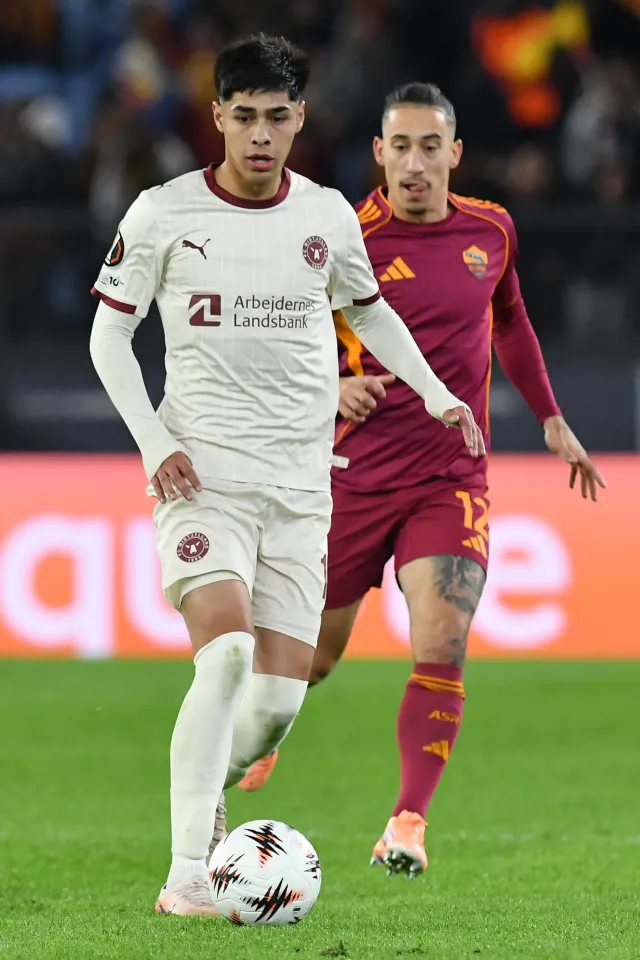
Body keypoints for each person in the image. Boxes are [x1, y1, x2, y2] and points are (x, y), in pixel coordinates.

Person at [89, 43, 484, 916]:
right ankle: (188, 872)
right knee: (225, 655)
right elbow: (108, 339)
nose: (261, 135)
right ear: (218, 116)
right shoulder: (164, 212)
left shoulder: (329, 216)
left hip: (304, 490)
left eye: (277, 117)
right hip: (204, 482)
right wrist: (156, 445)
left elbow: (369, 311)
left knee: (271, 709)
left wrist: (435, 392)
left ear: (300, 119)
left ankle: (211, 784)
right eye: (244, 116)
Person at [234, 82, 606, 878]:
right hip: (349, 476)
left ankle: (407, 821)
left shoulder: (491, 231)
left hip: (451, 476)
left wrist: (549, 417)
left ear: (454, 154)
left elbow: (510, 320)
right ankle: (264, 733)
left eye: (429, 146)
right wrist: (331, 387)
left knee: (442, 642)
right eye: (399, 147)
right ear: (378, 154)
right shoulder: (341, 236)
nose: (413, 163)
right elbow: (268, 333)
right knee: (314, 657)